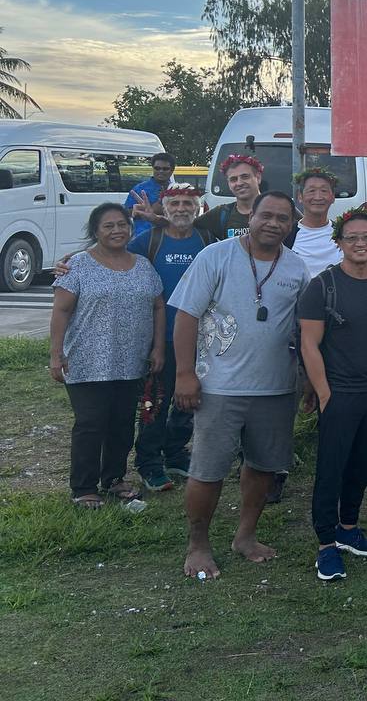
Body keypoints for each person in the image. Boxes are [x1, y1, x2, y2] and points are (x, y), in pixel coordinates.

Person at [171, 191, 309, 579]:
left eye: (283, 218)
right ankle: (198, 544)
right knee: (207, 470)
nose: (274, 223)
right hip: (219, 387)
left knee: (263, 468)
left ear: (291, 225)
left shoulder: (297, 268)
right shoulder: (215, 257)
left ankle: (245, 536)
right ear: (251, 216)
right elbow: (186, 316)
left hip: (276, 388)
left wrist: (308, 381)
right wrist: (185, 374)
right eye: (267, 215)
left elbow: (305, 329)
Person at [299, 205, 367, 581]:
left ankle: (348, 528)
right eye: (352, 238)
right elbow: (309, 344)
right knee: (332, 469)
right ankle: (326, 545)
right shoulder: (322, 286)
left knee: (363, 464)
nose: (360, 243)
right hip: (339, 394)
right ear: (339, 242)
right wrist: (325, 394)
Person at [50, 204, 164, 508]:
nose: (117, 231)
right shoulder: (77, 265)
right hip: (86, 361)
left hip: (130, 361)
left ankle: (114, 479)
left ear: (130, 228)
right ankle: (84, 487)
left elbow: (157, 305)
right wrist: (56, 354)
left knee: (122, 423)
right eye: (108, 226)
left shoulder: (143, 265)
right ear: (95, 231)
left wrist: (158, 347)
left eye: (122, 225)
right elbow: (61, 311)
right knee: (91, 423)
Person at [128, 183, 215, 492]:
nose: (181, 208)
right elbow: (111, 254)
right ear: (164, 209)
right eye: (174, 203)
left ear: (197, 208)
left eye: (187, 203)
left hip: (200, 337)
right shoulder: (149, 241)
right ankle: (149, 462)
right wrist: (70, 262)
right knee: (156, 401)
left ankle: (176, 453)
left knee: (189, 399)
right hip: (161, 338)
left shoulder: (207, 241)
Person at [287, 168, 343, 278]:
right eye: (311, 191)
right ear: (300, 196)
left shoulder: (343, 233)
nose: (318, 197)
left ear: (332, 197)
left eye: (324, 191)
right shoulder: (287, 234)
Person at [195, 155, 264, 240]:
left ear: (258, 178)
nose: (239, 183)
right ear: (228, 184)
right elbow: (187, 226)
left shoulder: (276, 210)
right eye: (233, 179)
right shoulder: (221, 214)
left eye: (245, 177)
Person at [124, 152, 176, 240]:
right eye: (157, 168)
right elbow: (126, 212)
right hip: (143, 237)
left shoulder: (177, 190)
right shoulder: (140, 189)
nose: (161, 171)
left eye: (165, 169)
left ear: (172, 170)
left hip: (169, 237)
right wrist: (147, 210)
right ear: (153, 168)